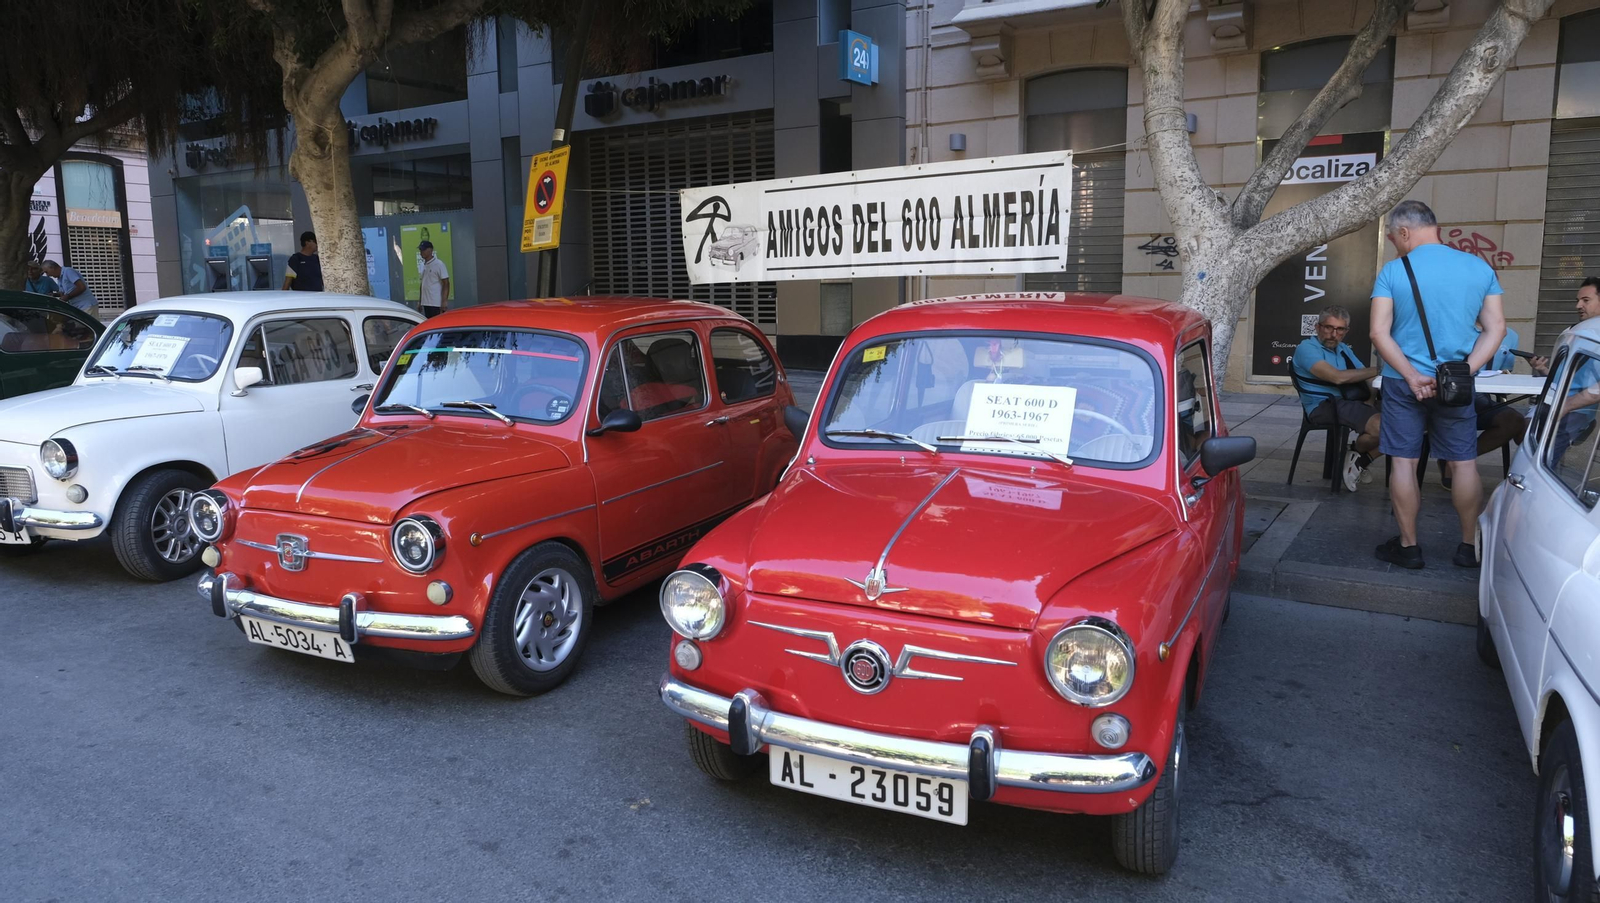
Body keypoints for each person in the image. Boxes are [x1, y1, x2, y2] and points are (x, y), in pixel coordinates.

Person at [1369, 200, 1506, 570]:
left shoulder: (1393, 271)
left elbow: (1378, 332)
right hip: (1455, 386)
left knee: (1404, 462)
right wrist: (1464, 371)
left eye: (1392, 237)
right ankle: (1468, 546)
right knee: (1463, 463)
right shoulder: (1479, 267)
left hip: (1403, 383)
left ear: (1404, 232)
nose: (1393, 243)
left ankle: (1409, 547)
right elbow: (1496, 328)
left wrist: (1412, 375)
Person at [1291, 305, 1381, 491]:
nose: (1333, 334)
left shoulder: (1343, 349)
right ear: (1317, 327)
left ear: (1346, 331)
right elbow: (1337, 377)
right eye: (1328, 328)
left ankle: (1358, 457)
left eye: (1340, 329)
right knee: (1384, 427)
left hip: (1349, 402)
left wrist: (1370, 401)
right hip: (1323, 405)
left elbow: (1367, 377)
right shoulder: (1306, 348)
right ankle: (1357, 456)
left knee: (1405, 421)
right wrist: (1380, 369)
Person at [418, 240, 449, 318]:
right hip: (426, 302)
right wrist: (420, 301)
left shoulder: (439, 264)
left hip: (435, 303)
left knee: (437, 323)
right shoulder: (423, 265)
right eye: (420, 250)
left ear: (430, 250)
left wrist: (444, 302)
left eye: (423, 250)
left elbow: (446, 283)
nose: (421, 252)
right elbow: (423, 284)